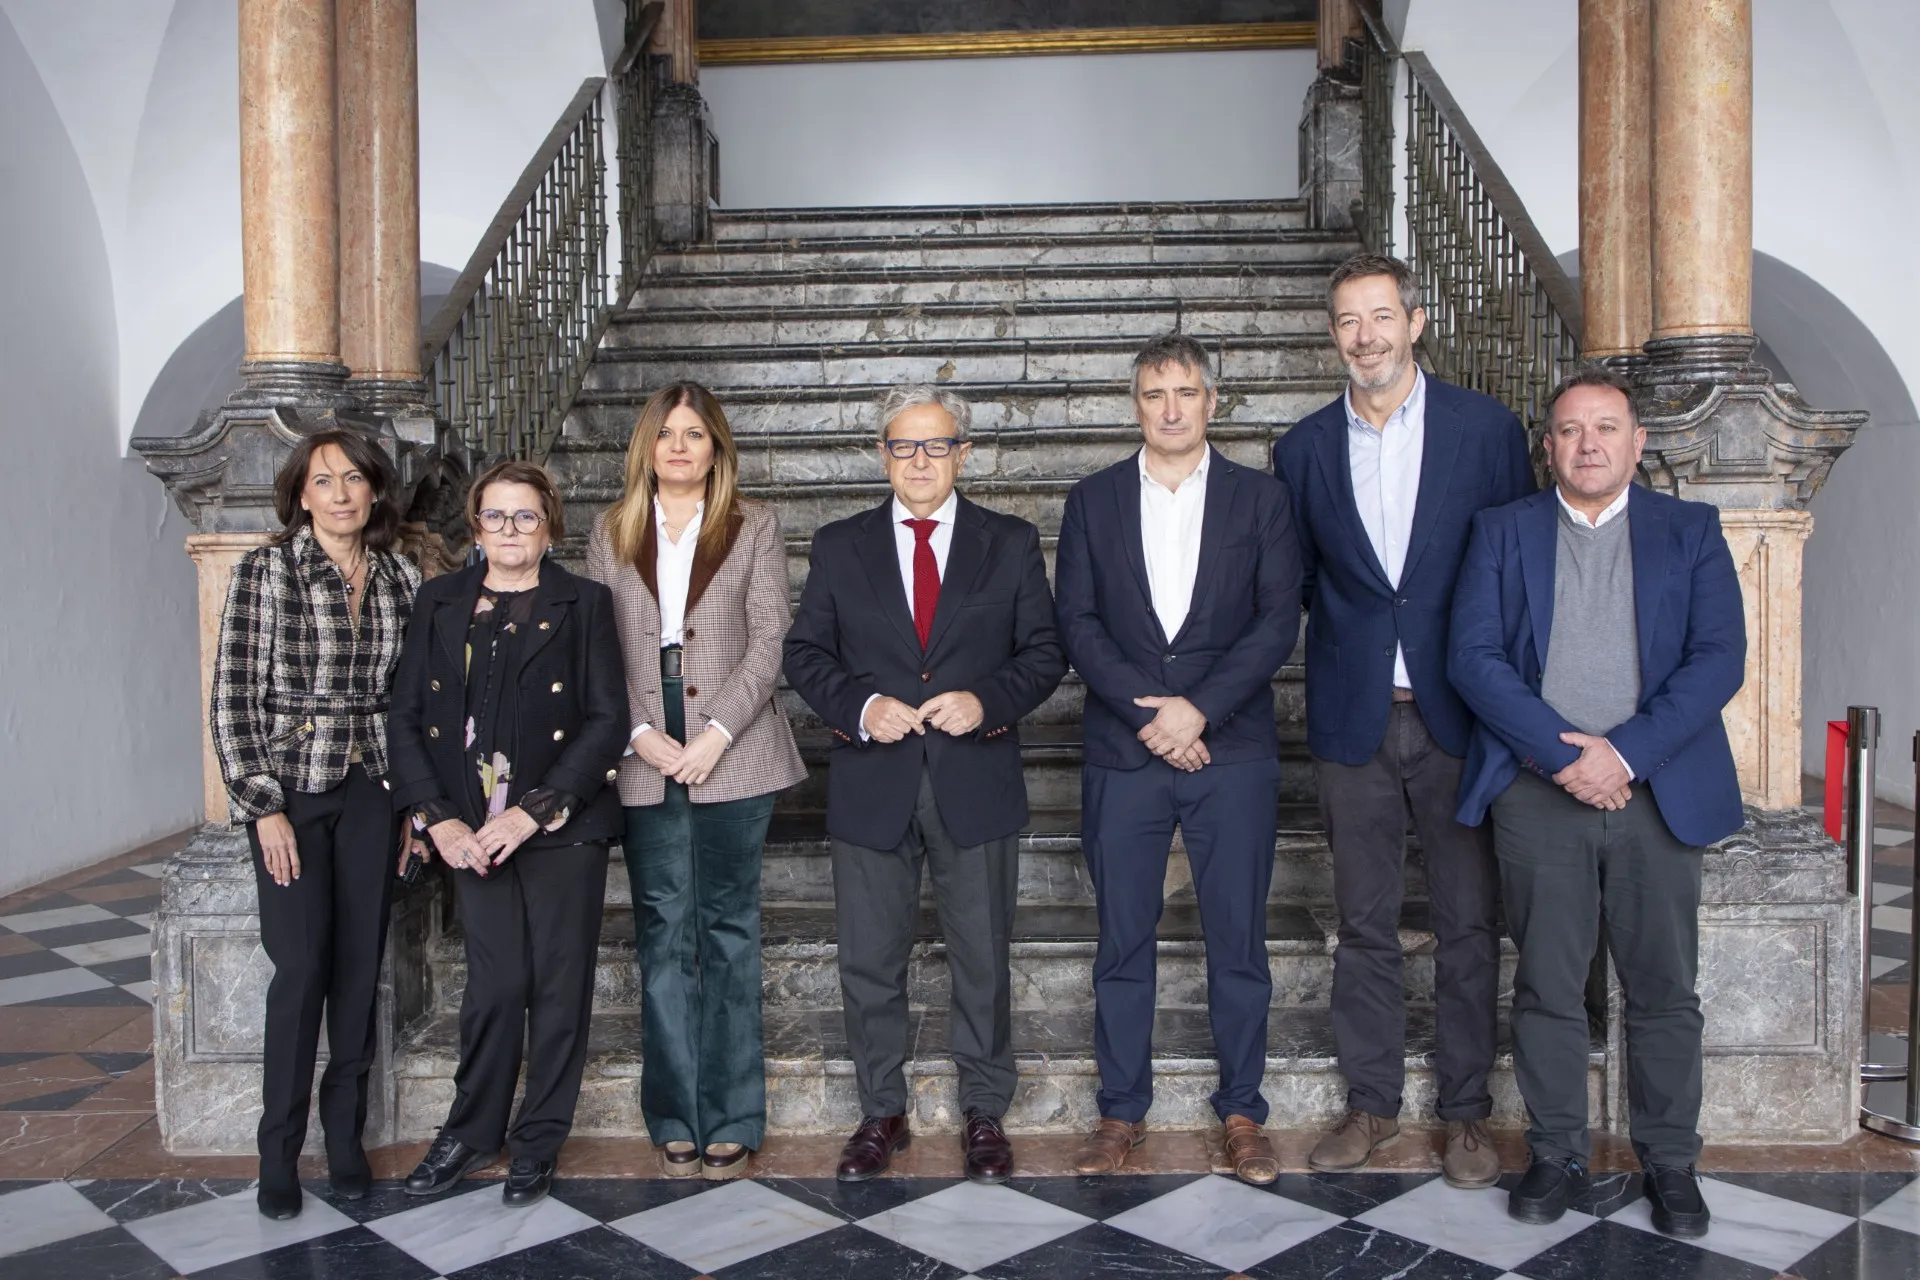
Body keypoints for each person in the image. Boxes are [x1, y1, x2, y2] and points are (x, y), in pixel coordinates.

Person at [1450, 366, 1745, 1238]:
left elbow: (1718, 658)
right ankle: (1557, 1153)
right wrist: (1560, 755)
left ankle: (1670, 1160)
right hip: (1542, 795)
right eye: (1571, 430)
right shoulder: (1502, 531)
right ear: (1549, 446)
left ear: (1636, 441)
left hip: (1658, 791)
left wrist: (1627, 753)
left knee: (1663, 988)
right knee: (1545, 984)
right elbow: (1474, 658)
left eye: (1606, 428)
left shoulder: (1690, 531)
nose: (1588, 444)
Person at [1272, 253, 1535, 1187]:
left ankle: (1467, 1115)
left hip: (1463, 716)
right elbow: (1295, 584)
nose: (1366, 337)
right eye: (1348, 321)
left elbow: (1517, 572)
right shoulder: (1302, 449)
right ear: (1333, 333)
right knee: (1365, 921)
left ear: (1415, 323)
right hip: (1354, 719)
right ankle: (1372, 1104)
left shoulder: (1487, 430)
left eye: (1381, 317)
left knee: (1470, 921)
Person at [784, 384, 1066, 1184]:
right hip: (874, 780)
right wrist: (862, 705)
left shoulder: (1008, 542)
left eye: (935, 445)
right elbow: (805, 654)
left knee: (982, 954)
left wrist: (987, 701)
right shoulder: (840, 545)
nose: (918, 460)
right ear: (883, 455)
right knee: (871, 960)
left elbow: (1044, 654)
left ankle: (984, 1110)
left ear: (963, 454)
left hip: (974, 777)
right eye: (903, 446)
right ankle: (882, 1111)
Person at [1055, 334, 1301, 1185]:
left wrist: (1201, 709)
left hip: (1230, 750)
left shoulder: (1261, 501)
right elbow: (1077, 624)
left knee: (1239, 942)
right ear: (1136, 405)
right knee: (1123, 942)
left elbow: (1276, 622)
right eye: (1155, 393)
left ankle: (1242, 1113)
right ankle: (1120, 1112)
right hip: (1124, 755)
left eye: (1185, 392)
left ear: (1212, 402)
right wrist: (1149, 714)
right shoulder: (1091, 501)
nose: (1170, 408)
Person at [388, 460, 628, 1208]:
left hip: (557, 826)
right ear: (476, 526)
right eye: (496, 517)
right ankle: (470, 1131)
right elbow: (402, 719)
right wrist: (440, 818)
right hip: (470, 831)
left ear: (550, 525)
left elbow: (605, 719)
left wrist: (536, 810)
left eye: (526, 517)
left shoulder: (584, 602)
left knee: (559, 989)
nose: (510, 531)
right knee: (495, 987)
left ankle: (537, 1140)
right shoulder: (438, 600)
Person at [585, 382, 805, 1181]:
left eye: (696, 434)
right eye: (667, 433)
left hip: (735, 744)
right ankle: (673, 1111)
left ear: (717, 447)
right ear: (646, 444)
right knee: (662, 935)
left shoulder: (752, 526)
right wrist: (643, 734)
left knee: (728, 931)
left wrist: (714, 734)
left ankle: (736, 1113)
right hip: (644, 739)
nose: (680, 446)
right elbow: (599, 646)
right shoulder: (612, 532)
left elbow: (772, 638)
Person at [211, 429, 422, 1220]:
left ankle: (344, 1139)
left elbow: (413, 701)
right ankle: (279, 1152)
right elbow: (233, 694)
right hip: (292, 791)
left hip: (372, 784)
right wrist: (261, 806)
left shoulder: (401, 575)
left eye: (353, 479)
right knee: (300, 970)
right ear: (301, 494)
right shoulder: (265, 571)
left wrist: (409, 803)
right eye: (323, 480)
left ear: (373, 492)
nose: (339, 493)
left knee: (358, 969)